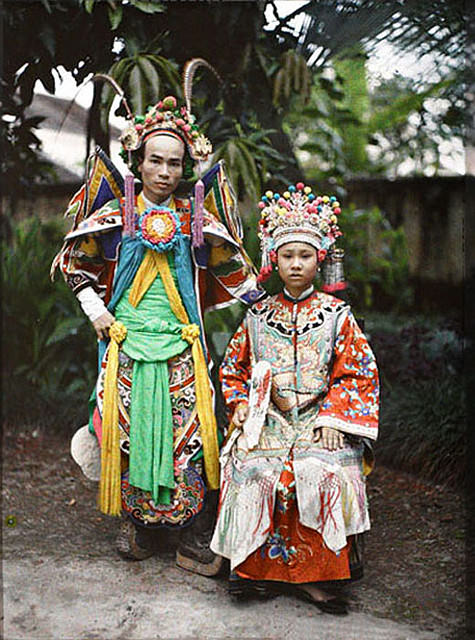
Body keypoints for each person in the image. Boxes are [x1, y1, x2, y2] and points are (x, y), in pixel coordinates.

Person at [52, 93, 263, 575]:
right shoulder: (112, 218)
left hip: (182, 346)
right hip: (126, 343)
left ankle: (188, 533)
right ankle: (137, 525)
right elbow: (76, 265)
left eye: (174, 163)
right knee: (127, 433)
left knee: (187, 434)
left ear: (186, 167)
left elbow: (232, 266)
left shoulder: (196, 218)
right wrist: (96, 311)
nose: (165, 172)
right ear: (138, 162)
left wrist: (266, 304)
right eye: (155, 161)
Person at [211, 182, 379, 613]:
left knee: (319, 469)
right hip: (268, 417)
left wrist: (333, 420)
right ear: (274, 259)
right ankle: (254, 572)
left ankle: (319, 578)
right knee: (252, 468)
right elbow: (232, 369)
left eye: (305, 255)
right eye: (287, 255)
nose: (296, 264)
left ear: (319, 258)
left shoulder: (337, 315)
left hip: (320, 418)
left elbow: (357, 373)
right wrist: (243, 405)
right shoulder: (257, 315)